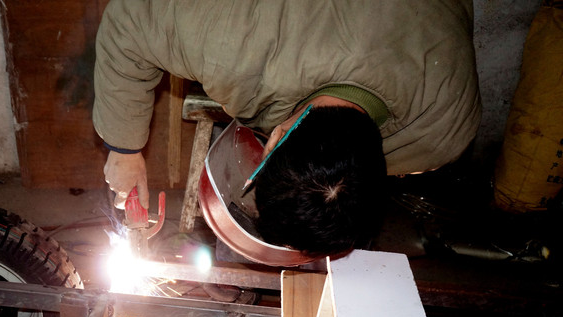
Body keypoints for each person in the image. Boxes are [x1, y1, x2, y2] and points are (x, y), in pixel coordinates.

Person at [93, 0, 481, 258]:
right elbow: (130, 21)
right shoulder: (233, 39)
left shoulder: (444, 131)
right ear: (275, 137)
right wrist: (124, 149)